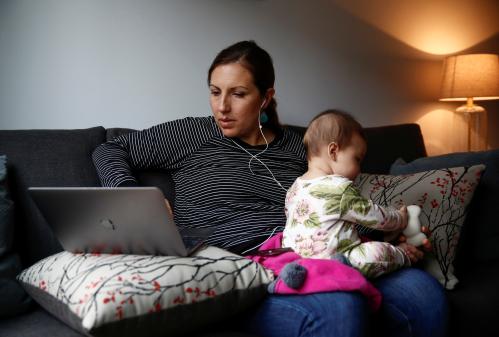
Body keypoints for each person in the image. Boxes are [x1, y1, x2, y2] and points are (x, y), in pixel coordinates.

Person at [92, 40, 447, 337]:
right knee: (341, 308)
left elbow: (334, 203)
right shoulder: (194, 134)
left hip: (314, 254)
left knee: (425, 295)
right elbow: (109, 149)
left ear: (265, 97)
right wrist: (137, 198)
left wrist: (388, 238)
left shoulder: (299, 148)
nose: (222, 106)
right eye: (215, 92)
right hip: (242, 272)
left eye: (238, 94)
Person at [282, 110, 422, 279]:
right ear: (333, 151)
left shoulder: (295, 188)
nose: (360, 169)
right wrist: (400, 219)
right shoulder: (339, 188)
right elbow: (376, 216)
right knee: (376, 252)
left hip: (299, 264)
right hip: (335, 263)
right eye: (357, 159)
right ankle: (403, 255)